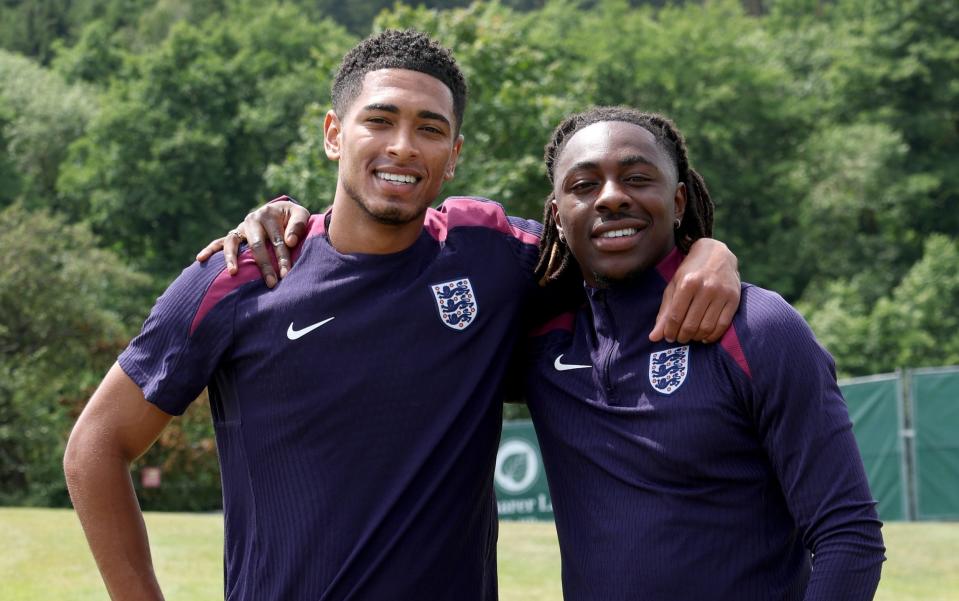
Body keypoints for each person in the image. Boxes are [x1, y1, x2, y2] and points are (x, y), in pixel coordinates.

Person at [64, 32, 740, 601]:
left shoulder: (496, 254)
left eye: (429, 130)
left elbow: (618, 240)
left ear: (454, 157)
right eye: (379, 120)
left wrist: (704, 250)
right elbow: (96, 446)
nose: (402, 146)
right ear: (334, 134)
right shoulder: (244, 275)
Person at [523, 107, 885, 600]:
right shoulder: (540, 340)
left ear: (677, 202)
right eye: (584, 185)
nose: (611, 197)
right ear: (558, 218)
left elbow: (849, 536)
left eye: (636, 178)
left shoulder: (758, 328)